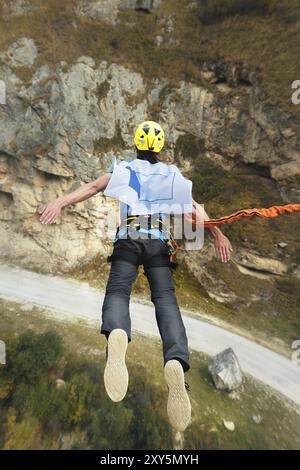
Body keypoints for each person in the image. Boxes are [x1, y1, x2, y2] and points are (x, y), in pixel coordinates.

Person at [38, 120, 233, 432]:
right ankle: (175, 359)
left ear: (136, 144)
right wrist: (218, 234)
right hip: (157, 244)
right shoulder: (171, 175)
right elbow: (194, 208)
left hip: (128, 239)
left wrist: (59, 202)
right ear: (160, 148)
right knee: (166, 302)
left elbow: (92, 187)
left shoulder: (124, 169)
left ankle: (117, 333)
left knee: (118, 292)